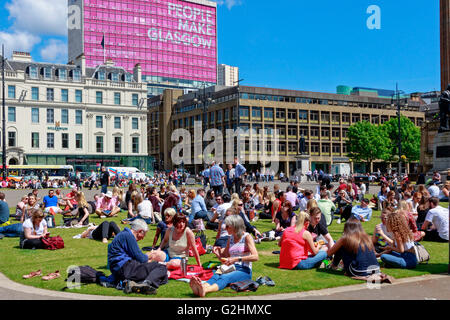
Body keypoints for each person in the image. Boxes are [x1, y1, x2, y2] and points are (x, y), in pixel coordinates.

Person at [189, 214, 259, 297]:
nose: (225, 228)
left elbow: (255, 257)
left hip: (244, 270)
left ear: (235, 226)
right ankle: (201, 287)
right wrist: (218, 253)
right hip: (230, 267)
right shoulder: (231, 238)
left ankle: (205, 290)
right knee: (216, 275)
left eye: (227, 226)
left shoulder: (247, 237)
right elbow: (224, 256)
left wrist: (236, 259)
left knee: (225, 277)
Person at [108, 219, 168, 295]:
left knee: (164, 277)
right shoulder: (128, 236)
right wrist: (149, 255)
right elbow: (141, 258)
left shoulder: (124, 234)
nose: (143, 238)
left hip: (120, 269)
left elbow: (137, 257)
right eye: (144, 235)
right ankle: (146, 284)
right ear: (140, 231)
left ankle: (134, 284)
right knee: (161, 267)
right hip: (125, 268)